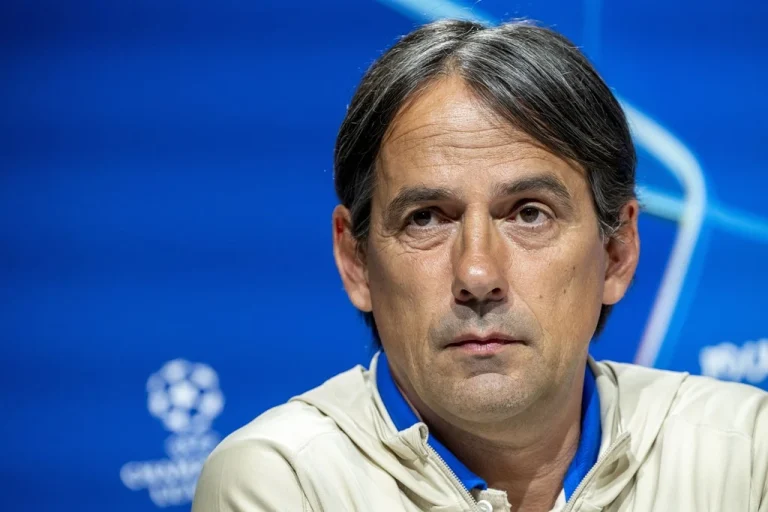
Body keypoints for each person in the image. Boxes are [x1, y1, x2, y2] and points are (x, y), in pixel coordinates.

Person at [192, 19, 768, 512]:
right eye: (426, 219)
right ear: (356, 261)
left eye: (529, 214)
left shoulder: (743, 454)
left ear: (617, 252)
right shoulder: (285, 482)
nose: (476, 275)